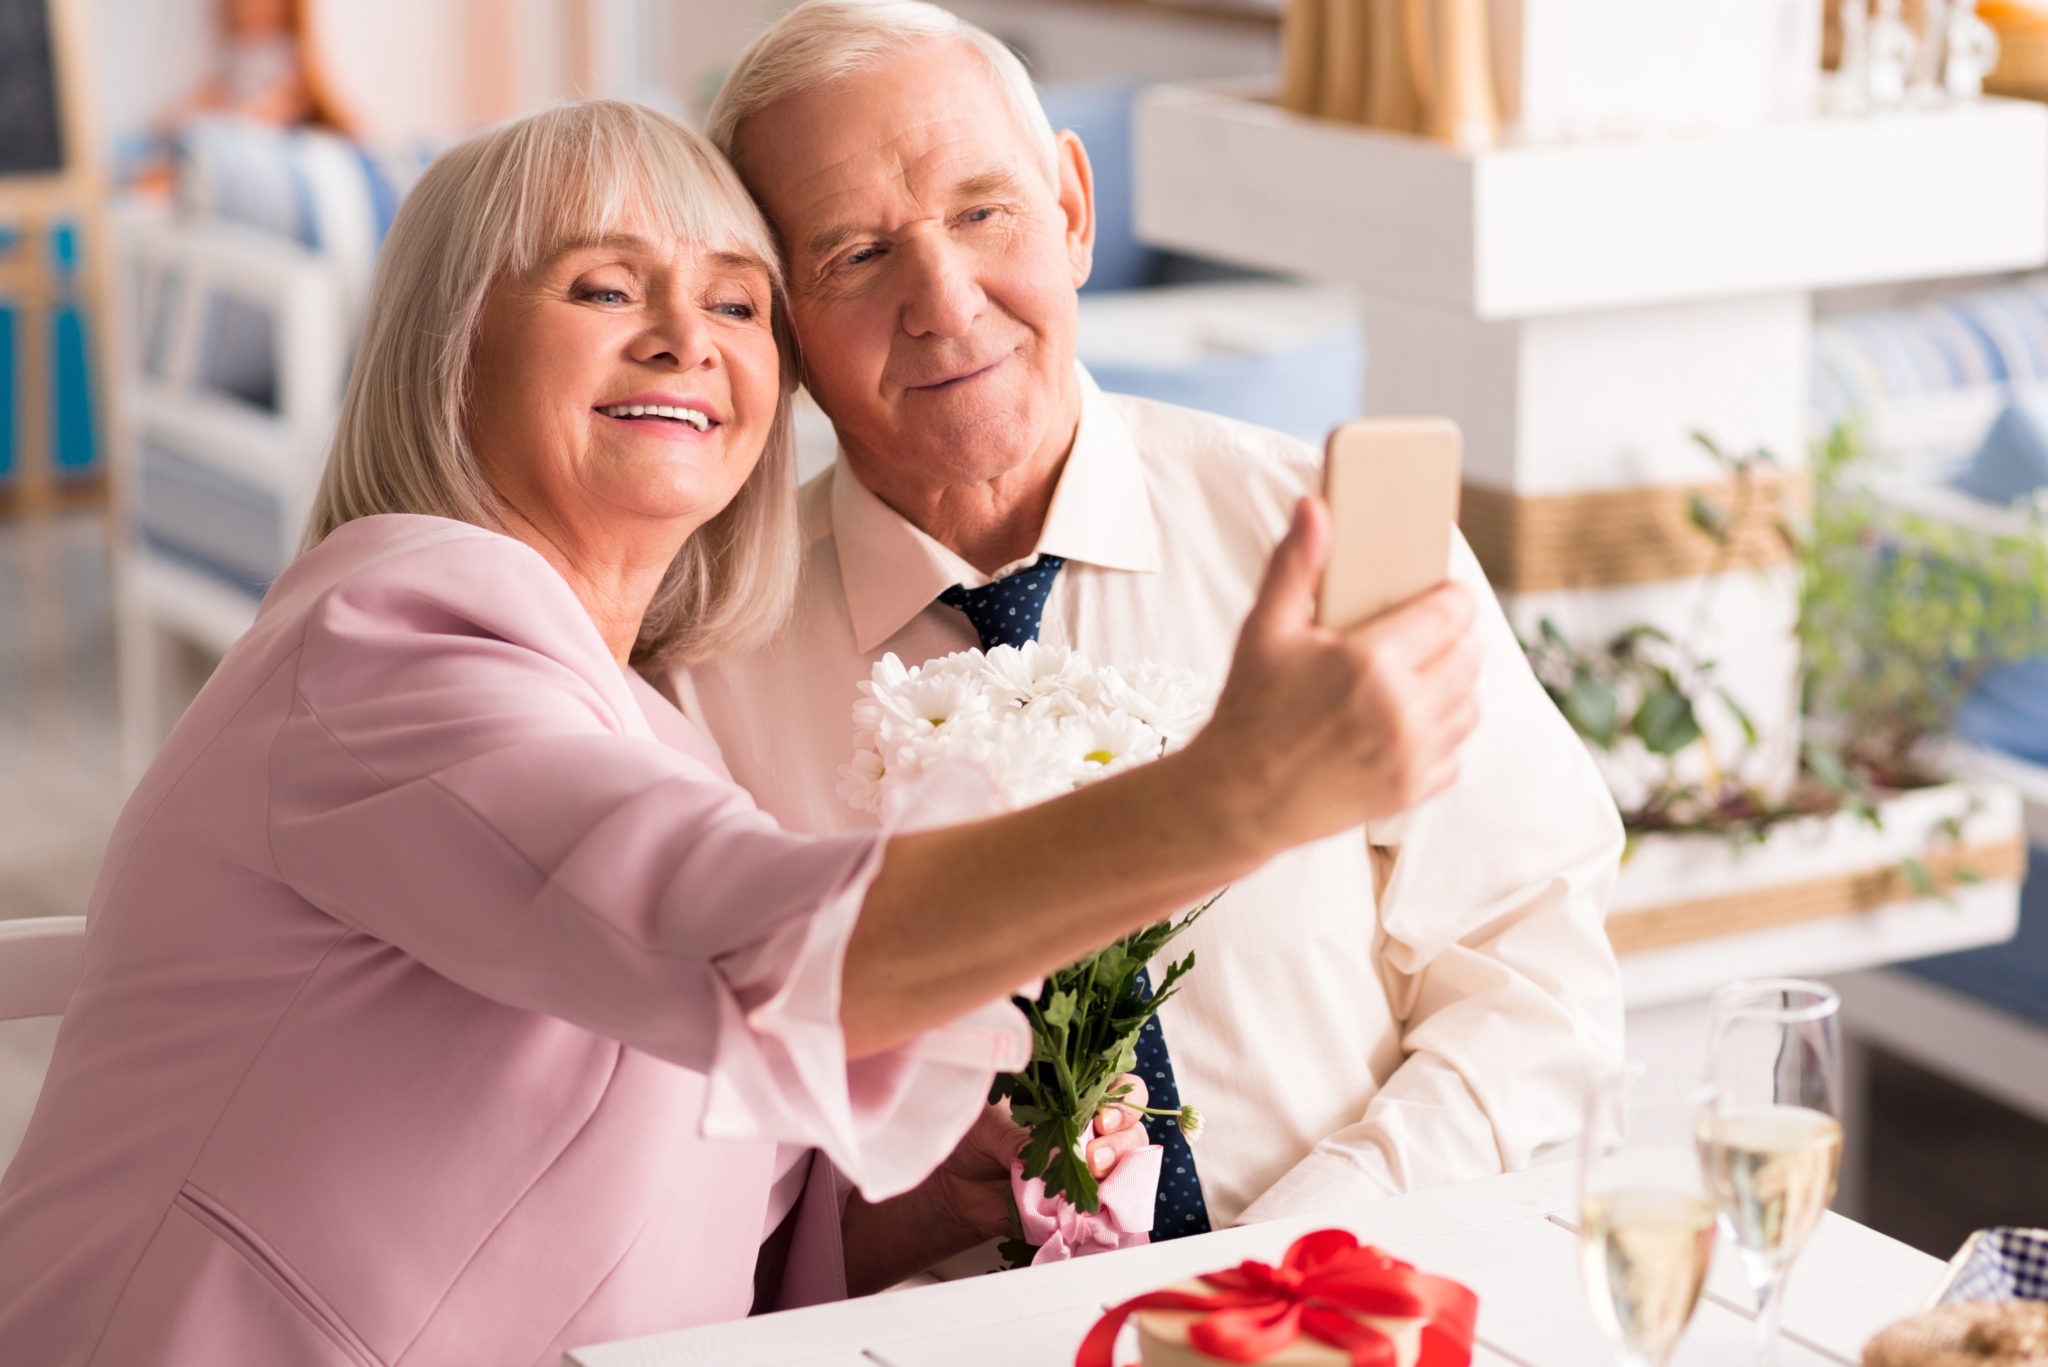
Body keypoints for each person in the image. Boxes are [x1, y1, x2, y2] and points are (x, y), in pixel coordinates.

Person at [0, 102, 1483, 1365]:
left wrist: (923, 1202)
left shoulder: (646, 718)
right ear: (450, 348)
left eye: (736, 301)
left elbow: (710, 1193)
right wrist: (1238, 791)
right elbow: (748, 946)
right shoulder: (393, 639)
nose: (685, 340)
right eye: (601, 286)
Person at [683, 0, 1627, 1238]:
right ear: (780, 325)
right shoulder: (709, 663)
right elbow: (700, 1162)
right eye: (854, 255)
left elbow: (1535, 972)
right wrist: (883, 1226)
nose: (943, 297)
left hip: (1349, 1292)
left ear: (1072, 208)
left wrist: (1290, 1255)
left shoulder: (1312, 528)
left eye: (982, 211)